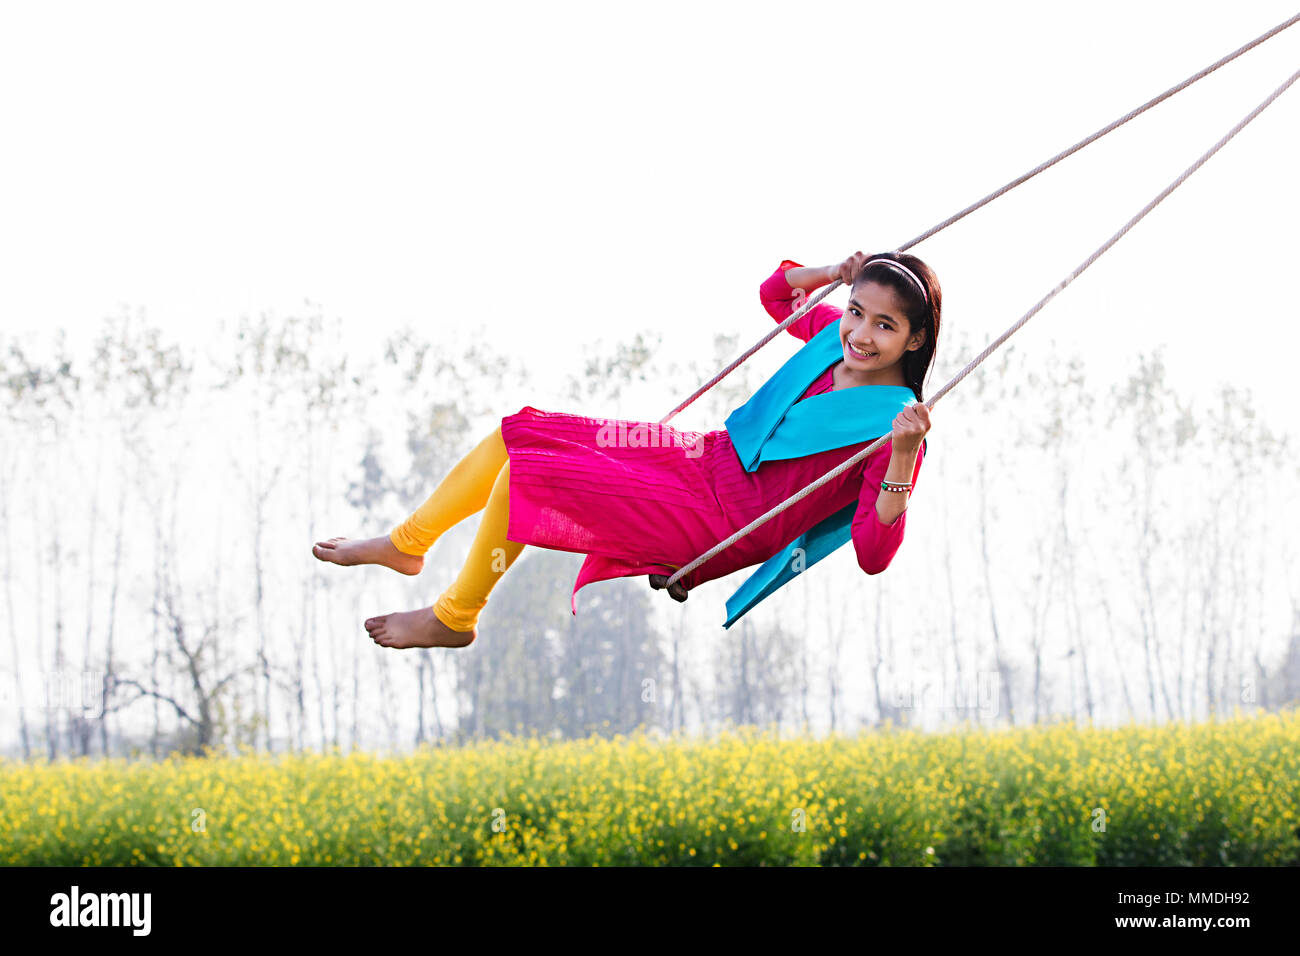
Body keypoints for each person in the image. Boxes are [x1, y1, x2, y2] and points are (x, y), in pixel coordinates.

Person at [311, 250, 940, 648]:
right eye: (856, 312)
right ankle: (409, 542)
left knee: (534, 479)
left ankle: (455, 615)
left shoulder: (895, 427)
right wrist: (834, 273)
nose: (860, 332)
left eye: (884, 326)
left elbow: (873, 553)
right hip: (702, 458)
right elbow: (777, 294)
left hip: (721, 520)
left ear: (913, 341)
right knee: (522, 432)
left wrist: (906, 457)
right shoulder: (833, 338)